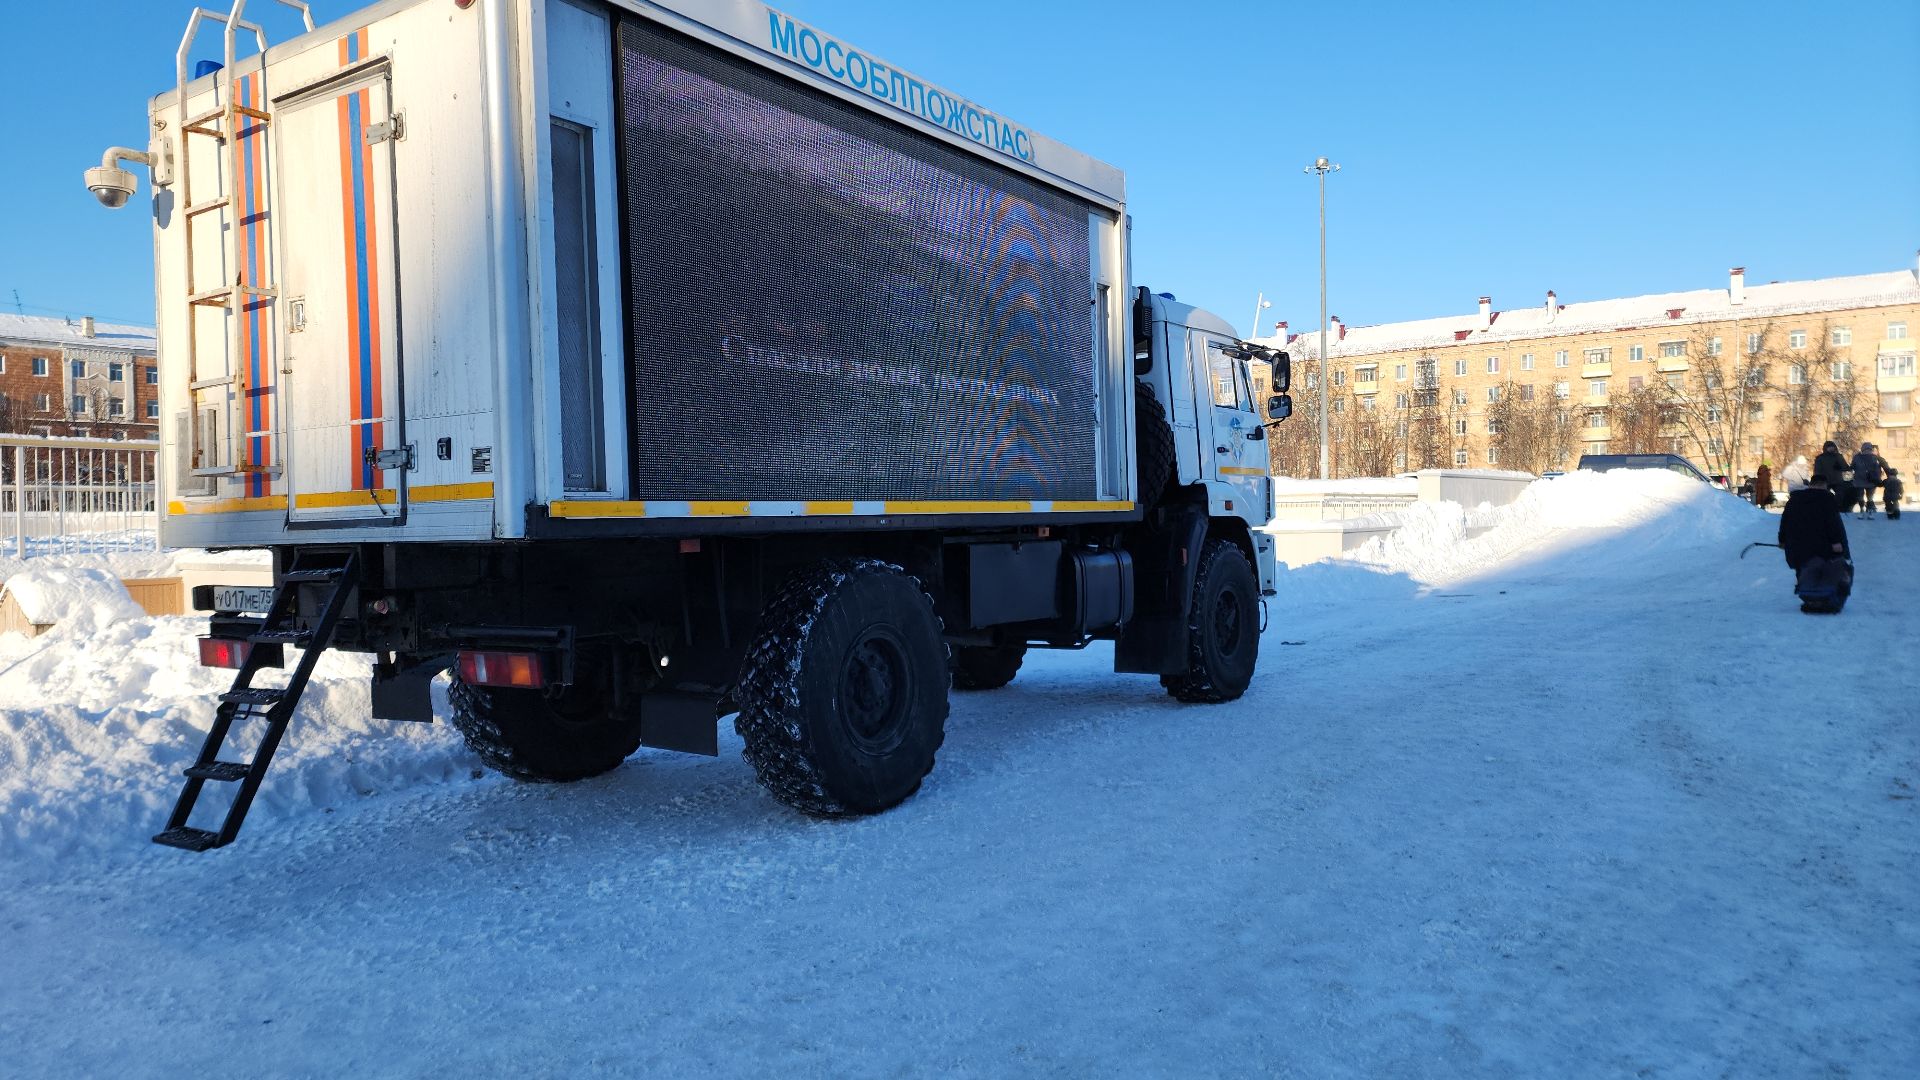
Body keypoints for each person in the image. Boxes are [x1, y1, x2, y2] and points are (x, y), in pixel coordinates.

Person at [1778, 473, 1852, 613]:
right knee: (1824, 571)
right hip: (1822, 546)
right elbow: (1833, 523)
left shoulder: (1794, 500)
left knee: (1803, 569)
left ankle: (1809, 597)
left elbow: (1785, 521)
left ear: (1810, 484)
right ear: (1825, 485)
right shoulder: (1827, 500)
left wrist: (1782, 540)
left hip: (1797, 547)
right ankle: (1821, 599)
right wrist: (1837, 542)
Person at [1850, 442, 1887, 518]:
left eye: (1868, 449)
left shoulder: (1857, 457)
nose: (1867, 451)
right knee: (1868, 497)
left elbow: (1852, 466)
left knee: (1862, 497)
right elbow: (1877, 469)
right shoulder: (1874, 457)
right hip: (1870, 481)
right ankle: (1868, 512)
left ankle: (1863, 511)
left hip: (1861, 480)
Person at [1813, 440, 1853, 510]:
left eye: (1832, 447)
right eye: (1829, 447)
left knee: (1840, 495)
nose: (1831, 448)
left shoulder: (1838, 457)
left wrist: (1849, 481)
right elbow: (1817, 470)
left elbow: (1846, 468)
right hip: (1825, 481)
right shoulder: (1820, 458)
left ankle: (1838, 508)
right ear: (1825, 448)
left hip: (1838, 480)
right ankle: (1824, 508)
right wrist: (1817, 481)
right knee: (1823, 496)